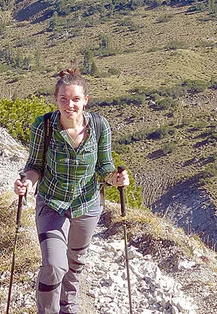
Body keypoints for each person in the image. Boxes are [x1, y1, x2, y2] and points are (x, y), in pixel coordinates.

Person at [14, 68, 130, 314]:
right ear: (55, 100)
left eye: (76, 99)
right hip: (51, 203)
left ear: (85, 100)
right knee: (54, 265)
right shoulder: (44, 126)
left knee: (75, 264)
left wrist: (115, 179)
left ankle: (69, 307)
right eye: (64, 99)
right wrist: (28, 183)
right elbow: (34, 166)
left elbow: (104, 167)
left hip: (87, 207)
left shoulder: (99, 126)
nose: (70, 105)